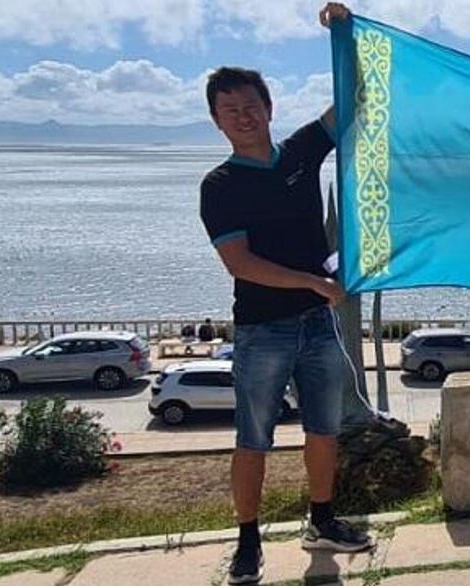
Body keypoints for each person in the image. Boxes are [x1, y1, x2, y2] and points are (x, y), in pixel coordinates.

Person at [198, 5, 371, 584]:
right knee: (253, 440)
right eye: (230, 111)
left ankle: (322, 522)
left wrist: (345, 34)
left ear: (269, 109)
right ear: (217, 122)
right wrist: (314, 283)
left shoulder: (299, 152)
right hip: (262, 331)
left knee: (324, 432)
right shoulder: (219, 186)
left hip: (317, 326)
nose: (244, 117)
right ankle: (248, 542)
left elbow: (353, 99)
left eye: (251, 105)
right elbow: (240, 264)